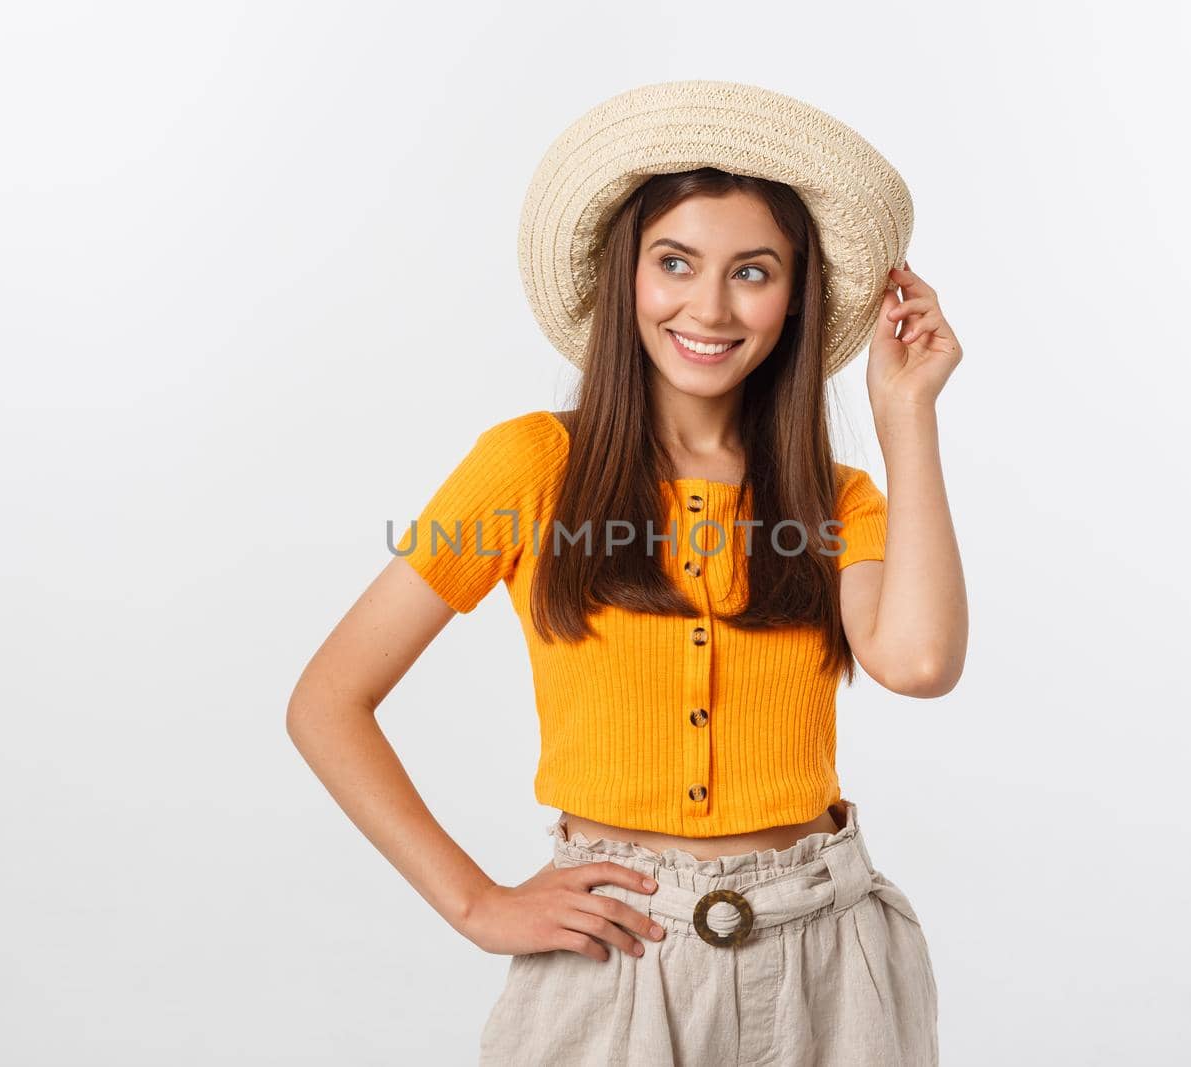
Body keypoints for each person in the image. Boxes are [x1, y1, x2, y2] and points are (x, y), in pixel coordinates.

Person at [287, 79, 966, 1065]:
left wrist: (909, 413)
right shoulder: (529, 468)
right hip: (613, 951)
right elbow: (327, 699)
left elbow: (918, 660)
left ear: (795, 295)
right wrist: (475, 903)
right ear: (624, 277)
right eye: (675, 262)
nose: (709, 305)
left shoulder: (838, 499)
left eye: (753, 271)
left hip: (829, 955)